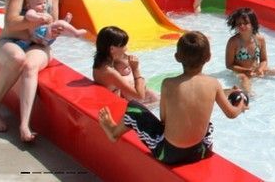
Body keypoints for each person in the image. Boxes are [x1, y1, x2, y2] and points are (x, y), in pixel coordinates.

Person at [98, 31, 247, 165]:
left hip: (169, 154)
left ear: (177, 57)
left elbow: (164, 120)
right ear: (208, 57)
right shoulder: (214, 84)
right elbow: (231, 113)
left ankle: (114, 132)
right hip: (200, 151)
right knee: (206, 124)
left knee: (133, 108)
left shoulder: (168, 84)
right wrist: (241, 104)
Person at [0, 0, 65, 142]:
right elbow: (11, 23)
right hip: (11, 41)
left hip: (38, 45)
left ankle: (24, 125)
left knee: (30, 65)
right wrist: (35, 21)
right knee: (17, 58)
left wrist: (56, 29)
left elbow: (52, 24)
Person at [92, 26, 159, 104]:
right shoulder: (109, 72)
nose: (126, 48)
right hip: (117, 107)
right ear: (112, 49)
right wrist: (135, 69)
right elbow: (140, 96)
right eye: (123, 45)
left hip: (113, 100)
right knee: (154, 96)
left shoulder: (100, 62)